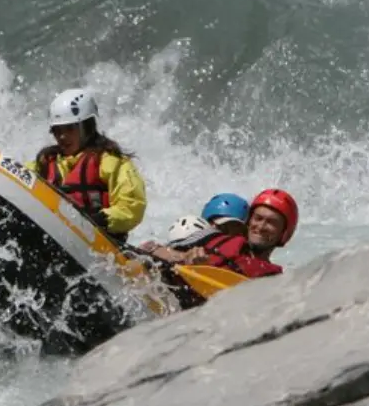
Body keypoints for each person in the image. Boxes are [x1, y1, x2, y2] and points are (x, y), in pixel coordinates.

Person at [27, 88, 147, 240]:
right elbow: (23, 181)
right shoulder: (45, 162)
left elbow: (132, 206)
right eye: (57, 130)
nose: (62, 136)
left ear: (87, 127)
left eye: (70, 129)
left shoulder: (111, 161)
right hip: (55, 237)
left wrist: (100, 219)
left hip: (100, 243)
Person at [145, 188, 297, 277]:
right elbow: (152, 249)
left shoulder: (273, 277)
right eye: (258, 218)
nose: (261, 226)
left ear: (284, 234)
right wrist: (184, 257)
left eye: (271, 222)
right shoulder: (214, 237)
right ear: (249, 221)